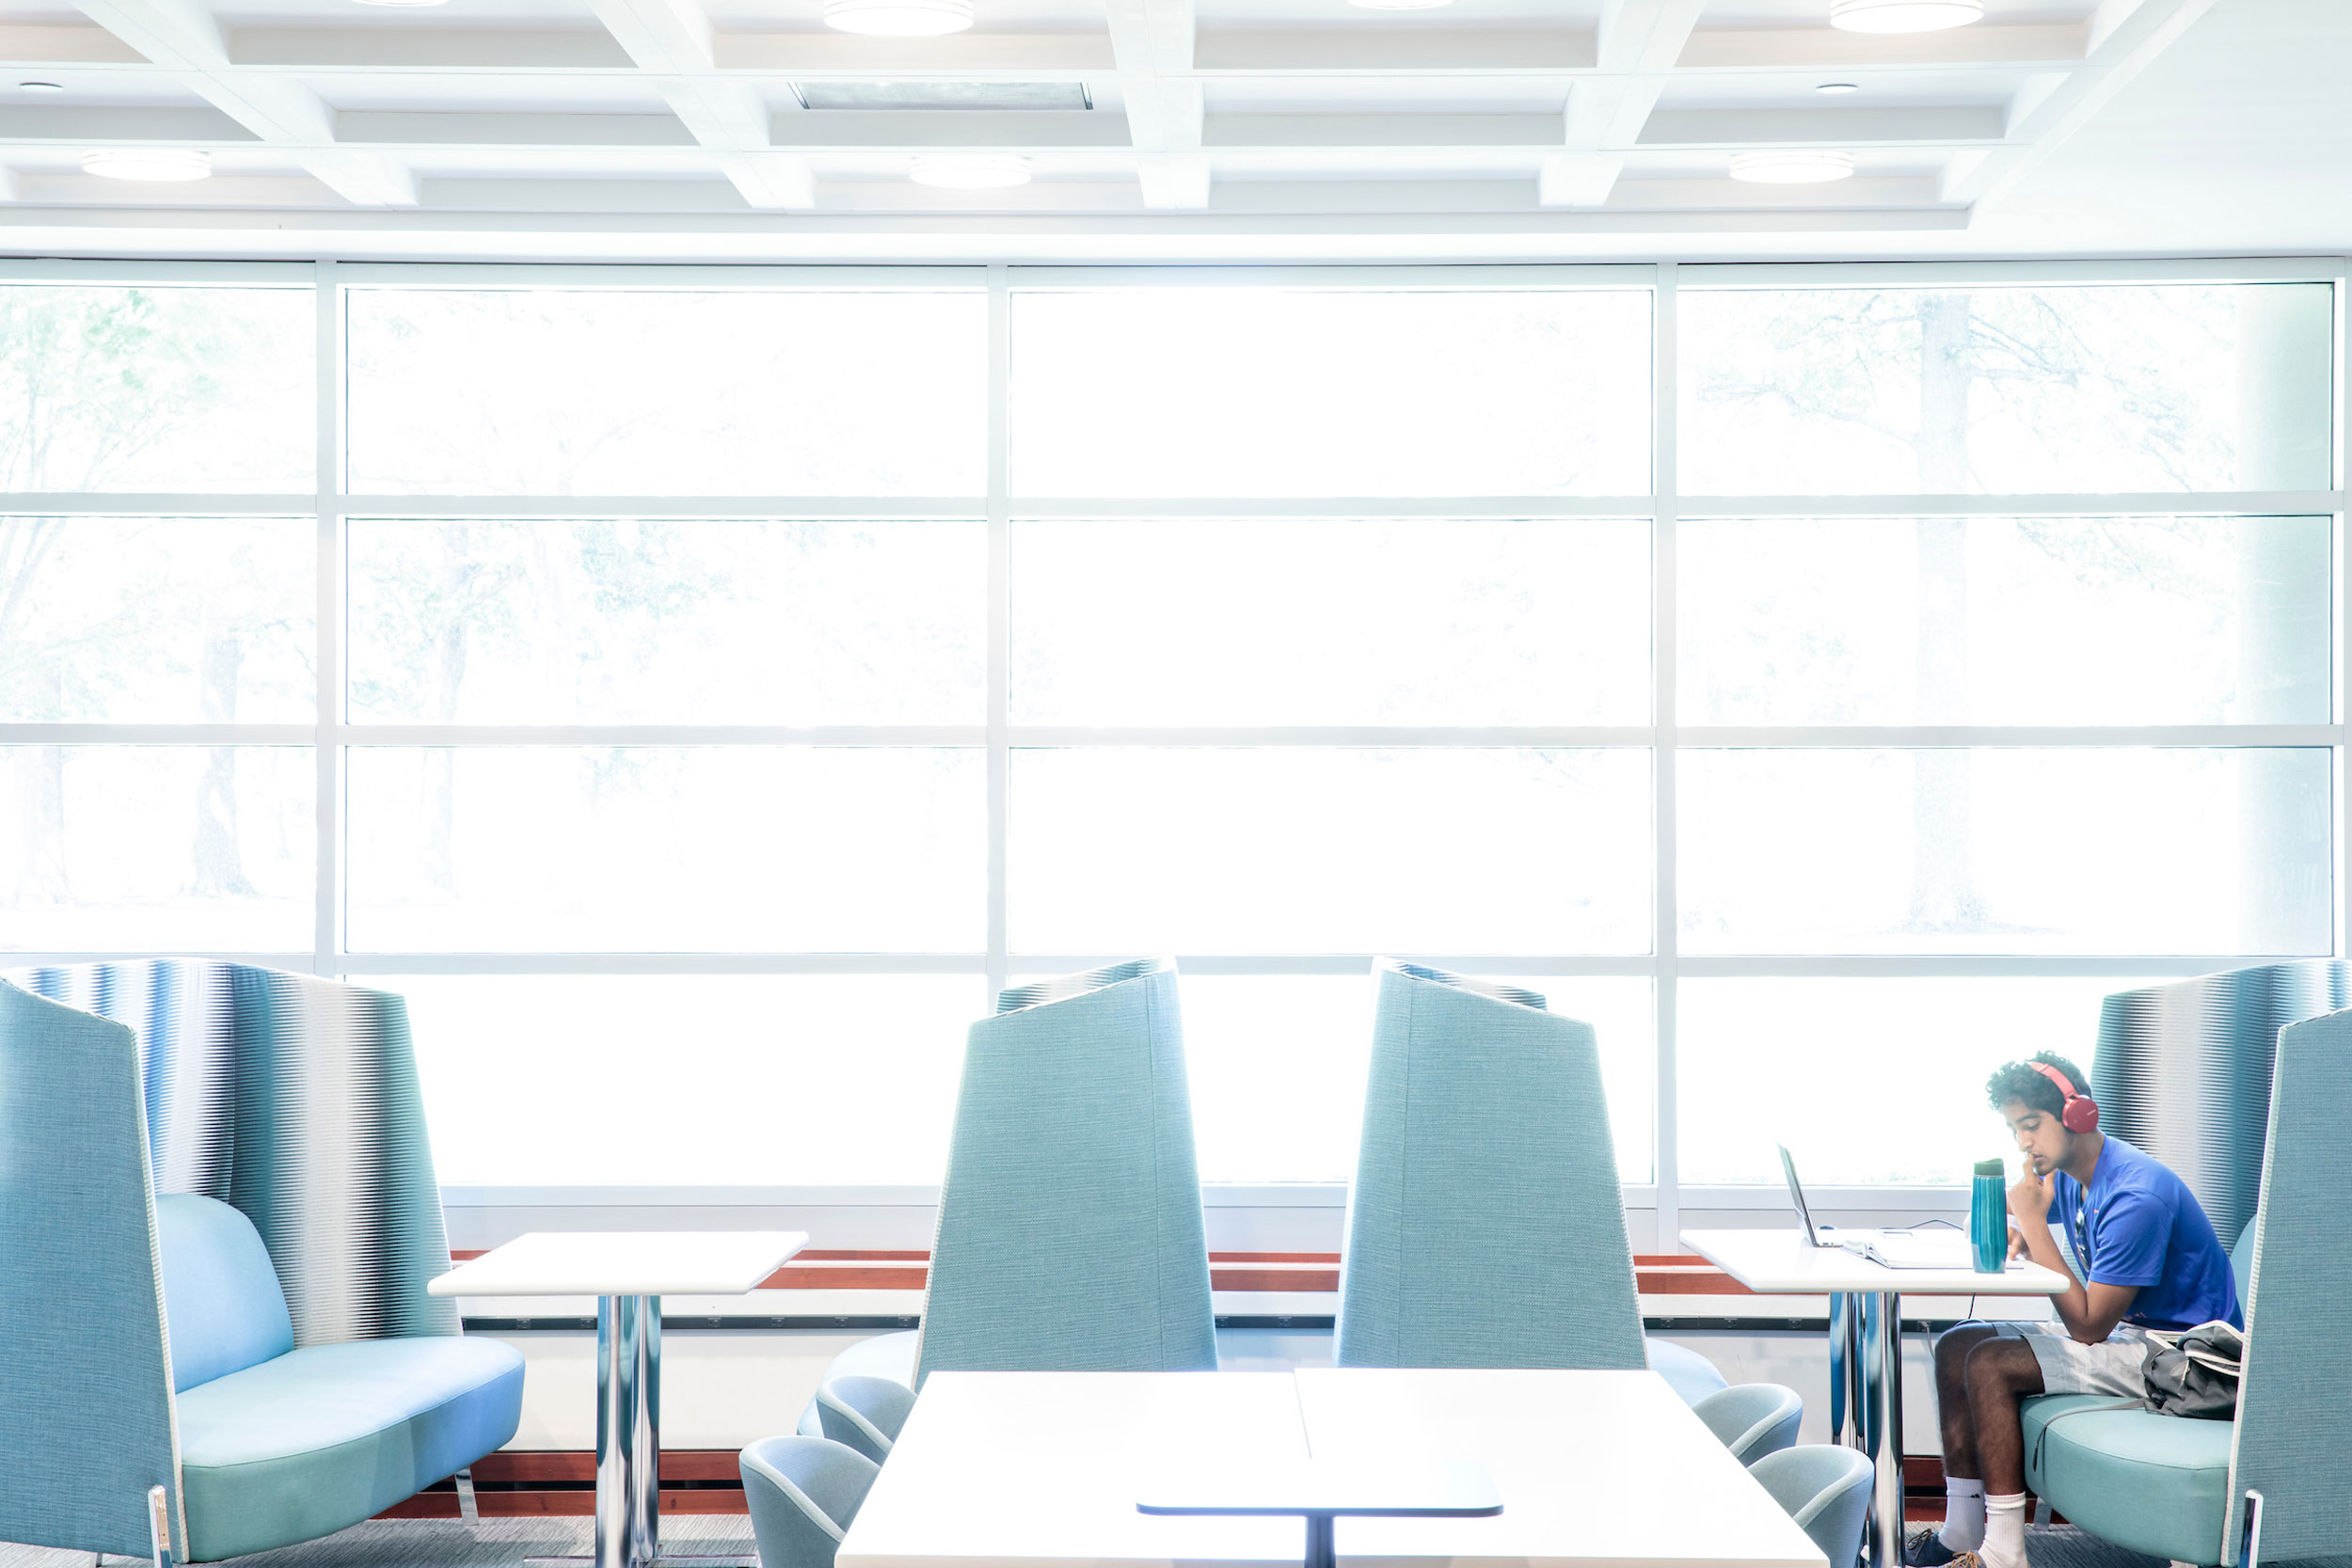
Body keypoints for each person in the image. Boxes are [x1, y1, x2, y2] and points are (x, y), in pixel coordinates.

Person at [1907, 1050, 2242, 1568]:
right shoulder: (2073, 1177)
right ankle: (1961, 1530)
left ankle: (2002, 1555)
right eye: (2014, 1129)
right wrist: (2023, 1228)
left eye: (2031, 1125)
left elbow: (2088, 1325)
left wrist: (2036, 1227)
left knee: (1990, 1362)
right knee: (1958, 1344)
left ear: (2076, 1114)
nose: (2022, 1143)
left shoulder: (2136, 1194)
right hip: (2136, 1338)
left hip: (2183, 1361)